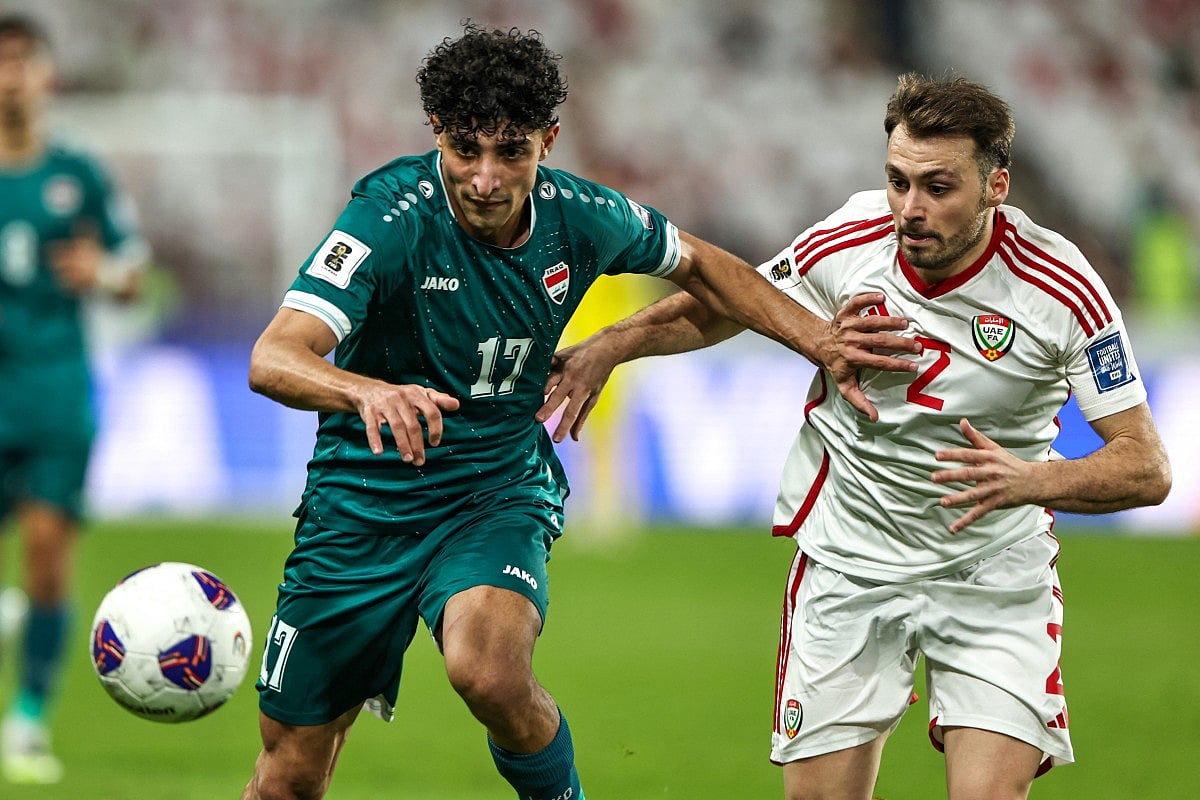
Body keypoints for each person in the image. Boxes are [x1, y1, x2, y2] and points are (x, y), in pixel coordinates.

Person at [242, 23, 917, 800]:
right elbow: (275, 357)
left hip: (491, 493)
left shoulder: (581, 215)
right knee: (289, 775)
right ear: (435, 133)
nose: (488, 178)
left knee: (488, 672)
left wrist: (819, 341)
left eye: (512, 152)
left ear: (549, 140)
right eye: (466, 149)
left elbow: (704, 265)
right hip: (359, 509)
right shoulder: (388, 216)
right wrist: (367, 390)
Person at [538, 72, 1172, 800]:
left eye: (938, 187)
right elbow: (732, 304)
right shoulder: (852, 236)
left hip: (993, 574)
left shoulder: (1063, 288)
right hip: (850, 564)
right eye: (898, 181)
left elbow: (1147, 467)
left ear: (997, 185)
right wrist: (614, 343)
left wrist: (1031, 480)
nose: (910, 208)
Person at [0, 13, 148, 786]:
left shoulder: (81, 176)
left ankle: (25, 719)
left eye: (23, 60)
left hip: (56, 393)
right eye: (0, 62)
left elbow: (137, 276)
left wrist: (105, 273)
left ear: (47, 75)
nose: (11, 75)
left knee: (48, 564)